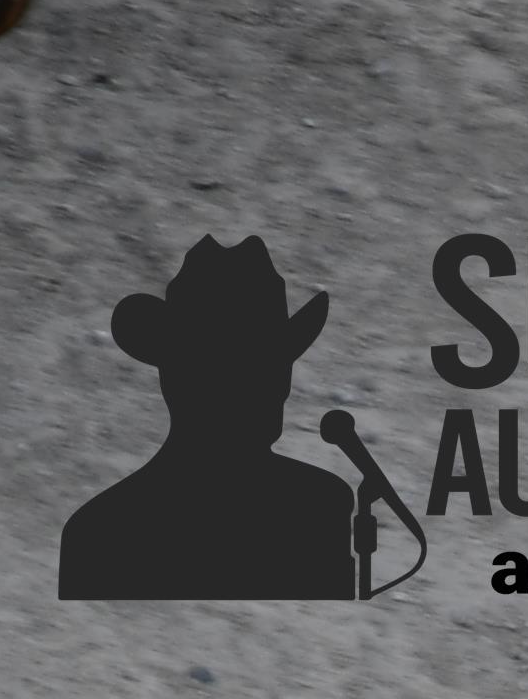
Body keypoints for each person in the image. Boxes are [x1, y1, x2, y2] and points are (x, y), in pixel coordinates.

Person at [58, 237, 368, 599]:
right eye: (256, 372)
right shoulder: (317, 506)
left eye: (276, 368)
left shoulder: (97, 531)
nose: (279, 389)